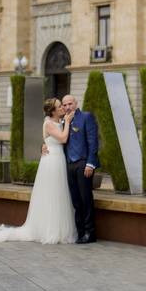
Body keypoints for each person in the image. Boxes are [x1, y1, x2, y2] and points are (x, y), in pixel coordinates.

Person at [0, 98, 77, 244]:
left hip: (59, 159)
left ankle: (60, 228)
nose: (62, 108)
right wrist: (68, 122)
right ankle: (49, 230)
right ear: (52, 111)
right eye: (59, 107)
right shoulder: (49, 123)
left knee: (60, 193)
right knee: (51, 193)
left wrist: (46, 143)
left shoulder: (60, 121)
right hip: (51, 161)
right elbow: (63, 138)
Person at [59, 94, 100, 244]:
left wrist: (91, 163)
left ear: (76, 103)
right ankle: (81, 231)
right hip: (69, 164)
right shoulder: (63, 121)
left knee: (85, 199)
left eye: (70, 103)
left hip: (83, 164)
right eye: (65, 104)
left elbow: (93, 142)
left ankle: (90, 233)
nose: (68, 107)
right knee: (76, 201)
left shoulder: (86, 117)